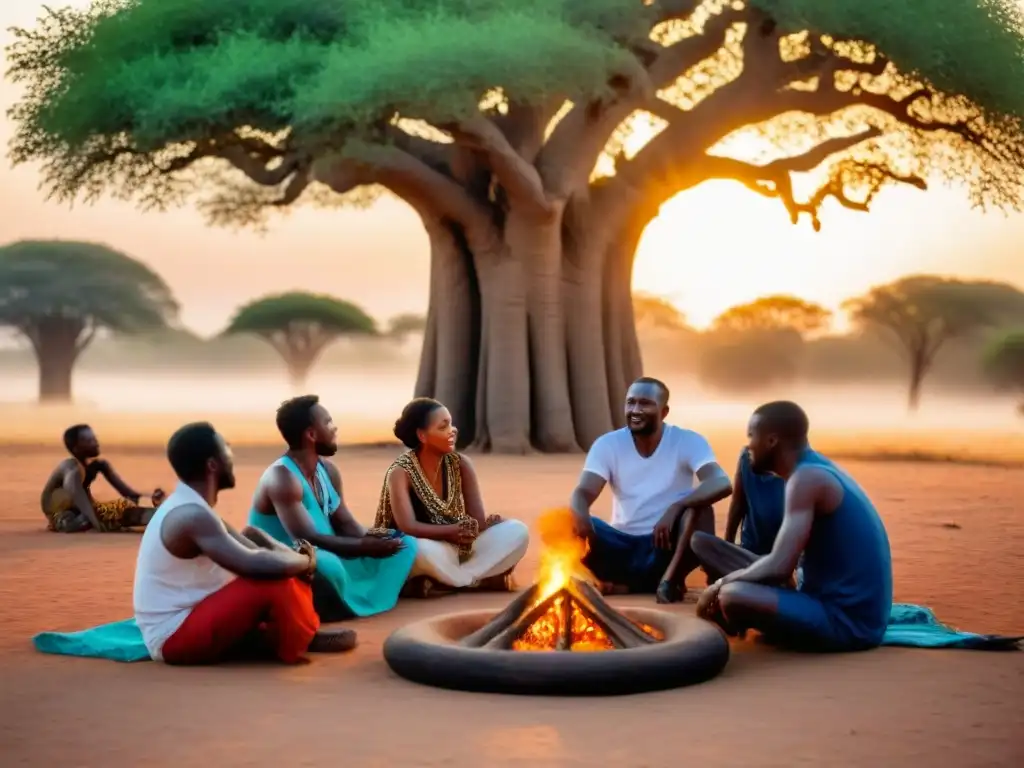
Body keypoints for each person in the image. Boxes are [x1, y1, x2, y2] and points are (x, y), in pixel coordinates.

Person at [133, 421, 355, 665]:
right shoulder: (191, 516)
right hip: (174, 638)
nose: (232, 457)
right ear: (212, 465)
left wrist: (297, 558)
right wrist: (305, 560)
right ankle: (301, 639)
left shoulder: (194, 507)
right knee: (274, 579)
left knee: (274, 554)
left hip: (194, 617)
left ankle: (290, 633)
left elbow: (250, 539)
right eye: (226, 450)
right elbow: (254, 564)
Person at [692, 401, 893, 652]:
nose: (749, 446)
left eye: (752, 437)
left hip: (847, 622)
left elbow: (779, 566)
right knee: (707, 546)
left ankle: (734, 615)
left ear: (772, 441)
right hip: (812, 592)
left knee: (732, 595)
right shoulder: (811, 468)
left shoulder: (806, 480)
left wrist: (719, 585)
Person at [248, 395, 418, 621]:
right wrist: (364, 547)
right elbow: (308, 540)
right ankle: (331, 605)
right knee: (328, 565)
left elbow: (345, 523)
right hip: (298, 560)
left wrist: (379, 540)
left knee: (405, 543)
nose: (334, 427)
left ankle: (359, 599)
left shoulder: (327, 470)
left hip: (332, 551)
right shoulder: (282, 478)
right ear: (311, 434)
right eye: (327, 423)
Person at [569, 377, 733, 603]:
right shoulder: (608, 444)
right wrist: (581, 517)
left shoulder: (687, 441)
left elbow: (721, 482)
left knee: (700, 509)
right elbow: (583, 492)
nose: (635, 410)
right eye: (631, 403)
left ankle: (669, 581)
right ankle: (633, 584)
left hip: (665, 547)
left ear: (664, 411)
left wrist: (677, 506)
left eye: (645, 403)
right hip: (619, 547)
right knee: (565, 520)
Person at [373, 397, 530, 596]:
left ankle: (450, 582)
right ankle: (476, 580)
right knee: (417, 549)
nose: (452, 430)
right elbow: (407, 527)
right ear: (422, 436)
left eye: (452, 424)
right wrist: (451, 531)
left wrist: (490, 524)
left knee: (517, 531)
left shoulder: (461, 464)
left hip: (457, 551)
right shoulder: (401, 472)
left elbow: (477, 522)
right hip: (426, 548)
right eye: (443, 426)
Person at [40, 424, 165, 532]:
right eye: (89, 441)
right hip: (62, 513)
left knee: (125, 509)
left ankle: (164, 516)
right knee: (82, 520)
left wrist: (150, 498)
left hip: (88, 510)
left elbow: (129, 494)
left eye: (94, 439)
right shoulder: (72, 468)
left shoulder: (97, 466)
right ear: (76, 449)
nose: (96, 443)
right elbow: (75, 493)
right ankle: (71, 523)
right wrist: (96, 523)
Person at [724, 447, 786, 556]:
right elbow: (738, 504)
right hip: (751, 550)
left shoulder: (798, 466)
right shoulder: (747, 457)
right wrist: (727, 545)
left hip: (785, 555)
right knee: (699, 541)